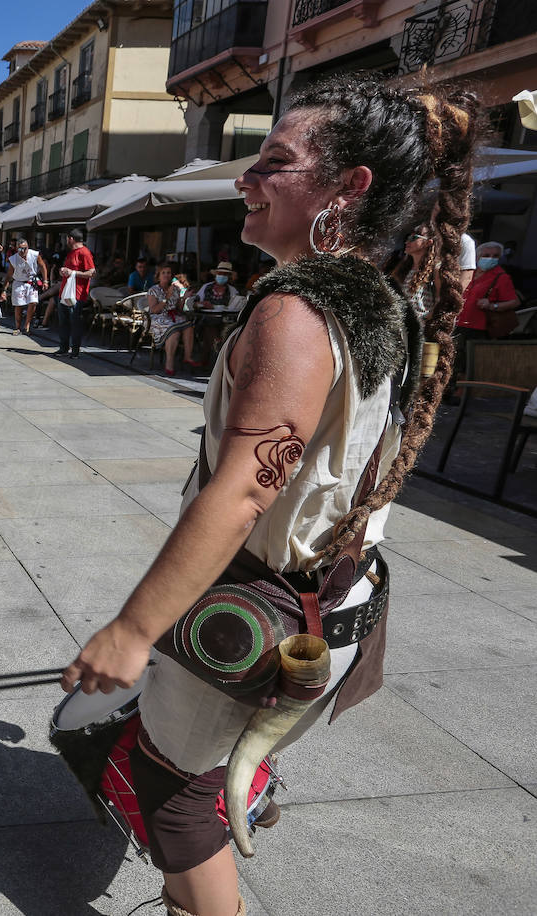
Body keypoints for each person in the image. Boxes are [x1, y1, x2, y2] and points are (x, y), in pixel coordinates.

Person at [60, 75, 481, 916]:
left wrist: (135, 629)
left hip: (261, 606)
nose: (246, 180)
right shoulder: (386, 300)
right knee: (197, 766)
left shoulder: (294, 310)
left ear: (347, 187)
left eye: (274, 163)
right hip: (335, 599)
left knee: (173, 797)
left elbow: (244, 493)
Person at [456, 241, 521, 369]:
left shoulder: (501, 276)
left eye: (495, 256)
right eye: (486, 255)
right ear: (477, 256)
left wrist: (492, 306)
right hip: (457, 322)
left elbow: (515, 302)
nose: (491, 258)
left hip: (478, 328)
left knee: (466, 364)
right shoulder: (469, 271)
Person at [147, 262, 195, 376]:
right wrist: (166, 297)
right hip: (158, 318)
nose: (166, 275)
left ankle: (187, 357)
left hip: (173, 316)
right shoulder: (153, 290)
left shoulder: (175, 289)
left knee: (189, 326)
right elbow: (154, 310)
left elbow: (179, 307)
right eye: (163, 273)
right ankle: (169, 363)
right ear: (158, 275)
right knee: (174, 332)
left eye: (168, 273)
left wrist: (184, 298)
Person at [55, 228, 96, 357]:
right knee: (63, 321)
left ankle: (75, 350)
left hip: (77, 294)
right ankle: (63, 347)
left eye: (67, 238)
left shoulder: (84, 253)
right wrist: (63, 271)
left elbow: (92, 273)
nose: (66, 241)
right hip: (65, 292)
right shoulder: (71, 253)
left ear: (71, 238)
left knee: (74, 321)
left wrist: (73, 273)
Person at [3, 237, 47, 335]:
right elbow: (9, 275)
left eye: (25, 248)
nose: (23, 251)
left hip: (31, 281)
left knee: (33, 302)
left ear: (28, 247)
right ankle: (17, 327)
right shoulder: (13, 259)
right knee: (19, 306)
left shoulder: (35, 254)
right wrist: (4, 289)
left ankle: (27, 326)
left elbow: (43, 266)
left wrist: (45, 281)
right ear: (17, 249)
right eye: (20, 248)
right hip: (19, 282)